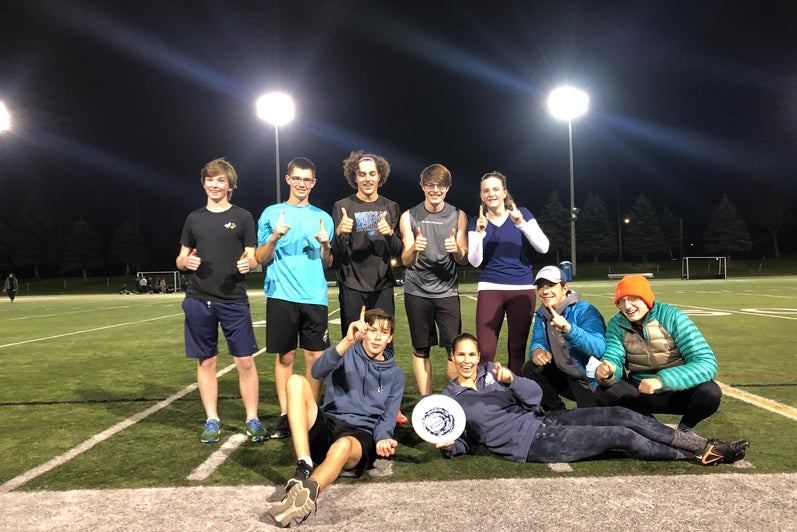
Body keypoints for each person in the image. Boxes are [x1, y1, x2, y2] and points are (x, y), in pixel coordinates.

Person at [439, 333, 748, 466]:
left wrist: (512, 379)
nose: (467, 361)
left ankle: (704, 446)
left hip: (542, 420)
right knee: (619, 435)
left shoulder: (491, 375)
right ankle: (697, 455)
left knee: (620, 414)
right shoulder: (448, 401)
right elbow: (463, 440)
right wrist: (449, 446)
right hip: (530, 445)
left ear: (478, 355)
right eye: (461, 355)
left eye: (472, 354)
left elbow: (532, 398)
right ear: (452, 357)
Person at [267, 307, 405, 528]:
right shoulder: (346, 352)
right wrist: (346, 343)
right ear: (364, 332)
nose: (377, 337)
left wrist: (382, 438)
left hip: (359, 436)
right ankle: (304, 465)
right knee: (295, 381)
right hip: (329, 424)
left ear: (390, 338)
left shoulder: (396, 375)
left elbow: (388, 416)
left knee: (342, 446)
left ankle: (308, 491)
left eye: (384, 332)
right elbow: (316, 372)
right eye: (372, 330)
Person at [175, 157, 267, 444]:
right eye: (210, 180)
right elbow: (180, 257)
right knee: (207, 362)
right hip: (199, 299)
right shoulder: (194, 218)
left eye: (220, 180)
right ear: (204, 184)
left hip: (233, 299)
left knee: (245, 362)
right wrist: (185, 262)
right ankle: (212, 418)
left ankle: (252, 418)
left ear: (230, 185)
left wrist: (249, 264)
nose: (215, 185)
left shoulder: (243, 217)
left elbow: (252, 257)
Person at [256, 157, 334, 440]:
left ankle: (311, 415)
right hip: (281, 295)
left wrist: (326, 244)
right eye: (297, 178)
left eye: (307, 179)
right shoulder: (271, 213)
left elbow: (327, 262)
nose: (301, 184)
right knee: (285, 356)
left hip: (314, 295)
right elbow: (260, 258)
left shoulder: (323, 217)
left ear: (313, 183)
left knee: (315, 357)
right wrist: (274, 237)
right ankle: (287, 414)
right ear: (288, 179)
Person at [331, 150, 407, 423]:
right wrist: (340, 233)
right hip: (352, 285)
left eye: (372, 173)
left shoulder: (391, 206)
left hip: (383, 285)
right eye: (361, 173)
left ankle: (390, 404)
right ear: (354, 176)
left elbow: (400, 250)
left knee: (385, 344)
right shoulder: (342, 205)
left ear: (380, 176)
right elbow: (334, 255)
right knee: (353, 344)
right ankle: (353, 401)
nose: (367, 178)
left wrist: (389, 235)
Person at [595, 275, 723, 431]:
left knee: (710, 393)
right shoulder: (617, 323)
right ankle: (653, 428)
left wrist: (662, 381)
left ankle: (684, 430)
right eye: (621, 301)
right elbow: (613, 356)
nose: (627, 306)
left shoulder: (673, 317)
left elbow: (706, 362)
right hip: (641, 390)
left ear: (646, 298)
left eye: (633, 298)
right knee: (605, 392)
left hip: (678, 391)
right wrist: (608, 372)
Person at [467, 171, 549, 375]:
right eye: (486, 190)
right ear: (481, 195)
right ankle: (485, 395)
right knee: (485, 350)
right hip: (490, 288)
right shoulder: (477, 221)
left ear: (504, 192)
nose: (491, 194)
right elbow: (475, 262)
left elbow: (543, 247)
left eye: (496, 189)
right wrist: (479, 234)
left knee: (517, 348)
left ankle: (516, 395)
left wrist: (521, 223)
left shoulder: (522, 213)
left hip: (521, 288)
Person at [399, 164, 468, 396]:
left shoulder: (458, 215)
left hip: (447, 291)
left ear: (447, 188)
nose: (435, 190)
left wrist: (456, 250)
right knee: (421, 348)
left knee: (453, 349)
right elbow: (406, 260)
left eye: (440, 185)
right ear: (423, 186)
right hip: (417, 291)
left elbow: (464, 258)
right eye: (430, 185)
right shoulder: (409, 216)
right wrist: (414, 250)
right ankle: (426, 400)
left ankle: (456, 399)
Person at [521, 265, 606, 411]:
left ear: (564, 288)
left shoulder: (585, 310)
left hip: (588, 380)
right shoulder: (542, 314)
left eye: (551, 285)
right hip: (566, 375)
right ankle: (555, 412)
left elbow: (599, 348)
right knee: (530, 368)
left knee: (588, 425)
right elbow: (538, 340)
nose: (545, 290)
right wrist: (538, 351)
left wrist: (569, 330)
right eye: (540, 286)